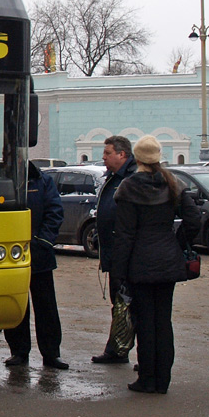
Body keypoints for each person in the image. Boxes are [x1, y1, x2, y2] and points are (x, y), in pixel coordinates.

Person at [112, 135, 201, 394]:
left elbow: (125, 235)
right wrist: (176, 242)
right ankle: (163, 380)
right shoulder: (173, 183)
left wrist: (118, 273)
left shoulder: (129, 188)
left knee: (145, 322)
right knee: (164, 321)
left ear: (137, 158)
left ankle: (147, 378)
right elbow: (193, 220)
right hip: (167, 261)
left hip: (139, 263)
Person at [4, 162, 69, 370]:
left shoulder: (42, 181)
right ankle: (19, 351)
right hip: (10, 255)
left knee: (46, 307)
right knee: (16, 306)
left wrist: (43, 242)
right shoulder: (2, 180)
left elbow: (54, 212)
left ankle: (51, 354)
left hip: (40, 255)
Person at [91, 134, 138, 364]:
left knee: (131, 303)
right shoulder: (112, 177)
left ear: (122, 154)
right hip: (114, 253)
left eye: (108, 153)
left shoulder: (132, 178)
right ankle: (118, 347)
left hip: (128, 255)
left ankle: (125, 350)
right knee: (119, 302)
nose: (104, 157)